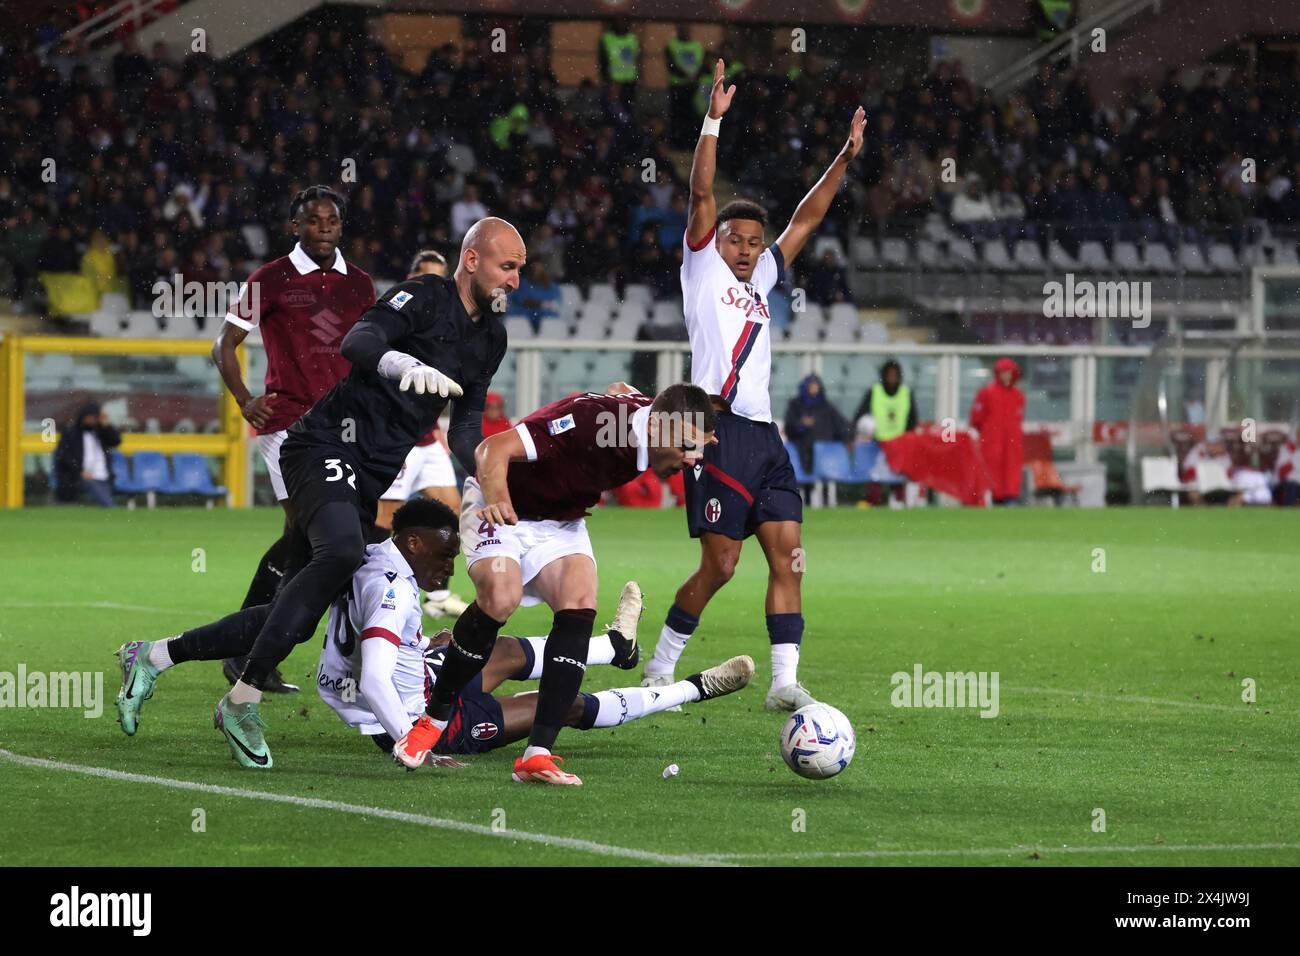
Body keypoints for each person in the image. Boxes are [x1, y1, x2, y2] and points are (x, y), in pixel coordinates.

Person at [150, 217, 520, 768]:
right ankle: (242, 699)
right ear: (472, 260)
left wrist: (489, 480)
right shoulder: (422, 294)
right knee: (343, 552)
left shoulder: (492, 335)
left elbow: (466, 427)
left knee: (305, 601)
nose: (515, 280)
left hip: (371, 472)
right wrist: (401, 363)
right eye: (506, 266)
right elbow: (359, 340)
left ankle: (156, 655)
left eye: (520, 270)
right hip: (322, 443)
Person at [641, 59, 866, 712]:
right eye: (736, 240)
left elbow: (807, 219)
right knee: (720, 567)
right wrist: (713, 119)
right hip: (715, 430)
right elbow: (702, 195)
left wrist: (844, 159)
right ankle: (660, 668)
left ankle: (783, 682)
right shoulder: (701, 270)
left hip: (765, 437)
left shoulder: (762, 279)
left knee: (789, 560)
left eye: (753, 242)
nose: (745, 249)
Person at [391, 382, 718, 785]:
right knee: (500, 597)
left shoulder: (651, 421)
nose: (694, 459)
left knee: (579, 602)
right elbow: (490, 451)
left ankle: (537, 754)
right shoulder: (592, 423)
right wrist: (496, 498)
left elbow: (629, 393)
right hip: (503, 502)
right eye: (688, 447)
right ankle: (432, 721)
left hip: (559, 520)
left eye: (700, 448)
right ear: (657, 430)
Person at [212, 185, 376, 694]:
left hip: (343, 425)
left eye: (331, 219)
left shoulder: (361, 285)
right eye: (312, 219)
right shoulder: (272, 278)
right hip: (288, 422)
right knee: (306, 530)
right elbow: (224, 344)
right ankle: (251, 651)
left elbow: (372, 353)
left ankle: (248, 647)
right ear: (294, 226)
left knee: (304, 540)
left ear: (341, 227)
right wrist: (243, 398)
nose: (322, 226)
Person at [377, 249, 468, 620]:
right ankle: (377, 588)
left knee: (455, 513)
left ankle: (438, 593)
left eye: (438, 277)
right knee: (384, 523)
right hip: (399, 438)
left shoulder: (449, 324)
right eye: (424, 276)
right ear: (411, 278)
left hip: (428, 439)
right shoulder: (397, 321)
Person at [970, 357, 1025, 504]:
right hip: (992, 442)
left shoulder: (1018, 395)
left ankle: (1010, 498)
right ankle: (993, 499)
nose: (1006, 376)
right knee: (992, 471)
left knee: (1010, 471)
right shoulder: (986, 393)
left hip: (1011, 443)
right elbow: (976, 419)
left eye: (1009, 372)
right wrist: (990, 434)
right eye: (1003, 372)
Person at [52, 401, 120, 506]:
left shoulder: (100, 432)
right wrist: (80, 470)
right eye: (90, 417)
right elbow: (64, 456)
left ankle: (110, 509)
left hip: (103, 475)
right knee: (98, 491)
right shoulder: (71, 433)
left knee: (102, 490)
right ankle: (112, 508)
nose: (92, 421)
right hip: (79, 476)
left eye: (94, 418)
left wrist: (106, 425)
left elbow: (115, 441)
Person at [783, 374, 852, 476]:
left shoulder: (826, 406)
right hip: (803, 453)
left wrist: (848, 438)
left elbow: (840, 424)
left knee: (825, 480)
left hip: (825, 455)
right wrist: (801, 425)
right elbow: (789, 427)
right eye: (811, 386)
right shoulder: (795, 405)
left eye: (816, 386)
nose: (814, 389)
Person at [855, 360, 918, 443]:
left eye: (895, 375)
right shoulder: (874, 391)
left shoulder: (906, 393)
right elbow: (860, 416)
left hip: (900, 442)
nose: (892, 378)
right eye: (889, 375)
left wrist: (906, 439)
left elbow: (912, 420)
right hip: (877, 443)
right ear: (884, 376)